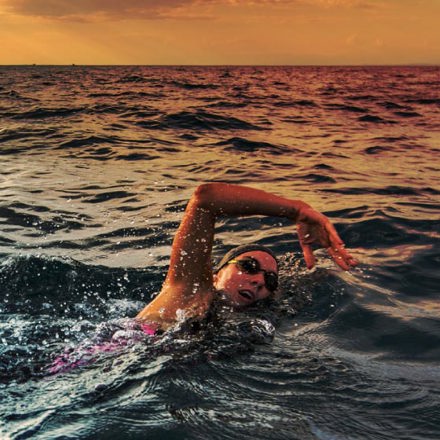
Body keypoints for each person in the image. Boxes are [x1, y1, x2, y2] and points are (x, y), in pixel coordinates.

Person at [136, 183, 357, 333]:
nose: (259, 281)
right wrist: (296, 210)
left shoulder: (250, 324)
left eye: (269, 280)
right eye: (248, 266)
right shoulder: (190, 290)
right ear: (216, 275)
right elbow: (205, 199)